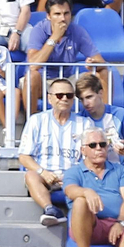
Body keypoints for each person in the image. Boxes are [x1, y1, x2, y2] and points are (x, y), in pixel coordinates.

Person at [63, 127, 124, 247]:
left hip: (117, 223)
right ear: (83, 150)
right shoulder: (73, 172)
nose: (99, 149)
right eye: (93, 145)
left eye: (103, 145)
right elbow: (70, 190)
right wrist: (86, 192)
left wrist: (120, 223)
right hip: (91, 225)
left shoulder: (118, 170)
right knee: (80, 201)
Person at [18, 78, 84, 227]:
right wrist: (43, 172)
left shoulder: (85, 123)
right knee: (31, 175)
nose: (65, 99)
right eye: (60, 95)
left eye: (69, 95)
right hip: (45, 175)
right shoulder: (36, 121)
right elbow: (23, 156)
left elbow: (89, 158)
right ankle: (50, 209)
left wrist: (72, 175)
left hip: (73, 176)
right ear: (49, 98)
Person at [21, 0, 101, 110]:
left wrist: (94, 63)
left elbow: (100, 61)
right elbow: (33, 65)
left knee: (100, 75)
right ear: (48, 16)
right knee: (32, 76)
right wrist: (54, 37)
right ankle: (31, 124)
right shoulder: (39, 30)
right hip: (43, 82)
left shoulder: (77, 31)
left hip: (67, 80)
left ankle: (104, 120)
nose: (63, 18)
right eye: (57, 14)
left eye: (66, 13)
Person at [72, 70, 124, 165]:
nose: (85, 103)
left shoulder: (120, 114)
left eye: (89, 97)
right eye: (81, 99)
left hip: (119, 169)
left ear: (100, 93)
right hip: (89, 174)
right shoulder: (78, 120)